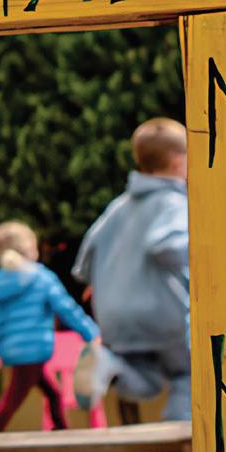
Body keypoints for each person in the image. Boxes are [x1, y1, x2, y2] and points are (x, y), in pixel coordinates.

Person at [76, 116, 193, 424]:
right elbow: (165, 245)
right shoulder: (172, 202)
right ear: (178, 163)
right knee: (189, 373)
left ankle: (109, 365)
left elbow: (84, 259)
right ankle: (181, 433)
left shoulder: (118, 207)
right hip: (162, 313)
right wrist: (204, 253)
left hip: (115, 318)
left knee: (146, 381)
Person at [0, 223, 94, 432]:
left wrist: (1, 347)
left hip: (13, 352)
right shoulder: (41, 278)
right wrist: (91, 333)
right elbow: (67, 310)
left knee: (53, 394)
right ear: (31, 249)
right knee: (12, 401)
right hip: (35, 351)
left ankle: (61, 431)